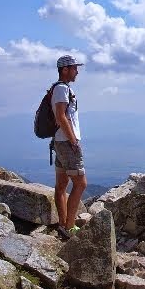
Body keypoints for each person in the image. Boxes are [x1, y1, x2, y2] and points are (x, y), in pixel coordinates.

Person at [52, 55, 87, 239]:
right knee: (81, 184)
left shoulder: (61, 89)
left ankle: (62, 223)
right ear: (65, 69)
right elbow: (61, 117)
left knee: (62, 184)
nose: (77, 71)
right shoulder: (61, 89)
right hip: (66, 142)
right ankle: (70, 227)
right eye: (74, 68)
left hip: (59, 142)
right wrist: (73, 141)